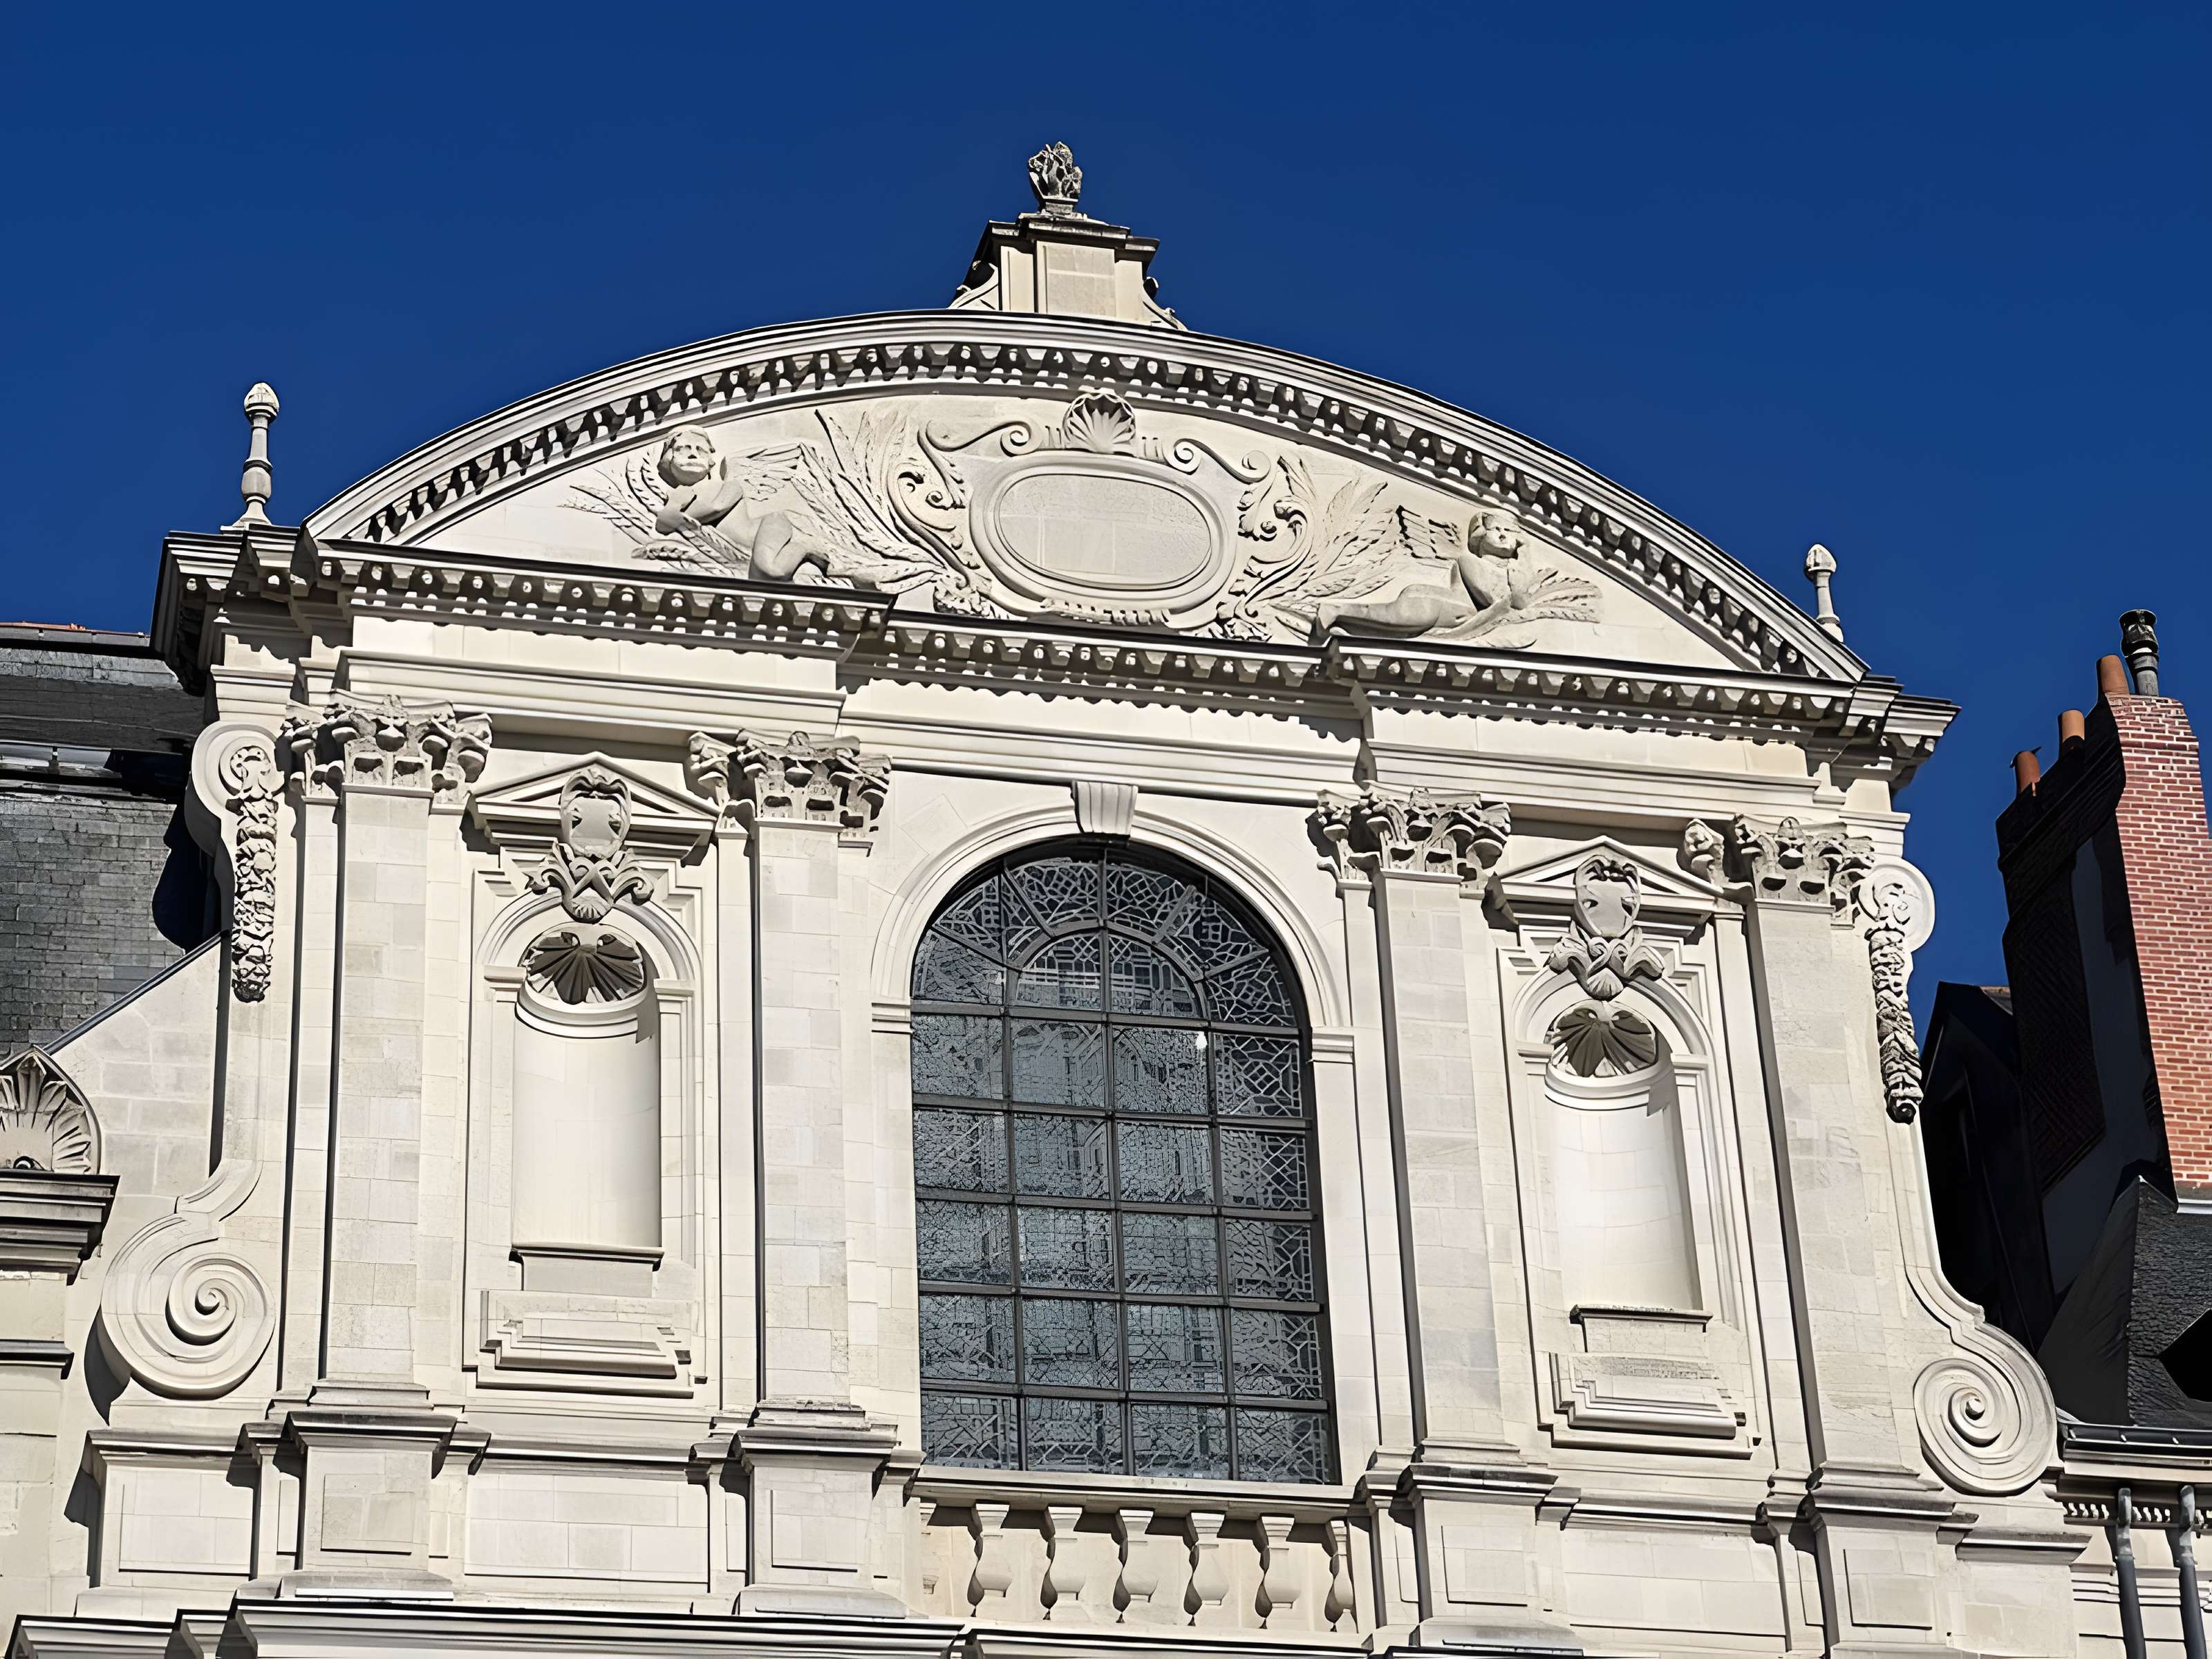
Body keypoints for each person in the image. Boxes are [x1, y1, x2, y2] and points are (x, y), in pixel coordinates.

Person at [651, 427, 831, 583]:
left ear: (710, 460)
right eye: (683, 449)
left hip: (769, 526)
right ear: (669, 457)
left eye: (701, 450)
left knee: (770, 572)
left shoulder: (731, 484)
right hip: (752, 541)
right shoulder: (679, 494)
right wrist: (677, 502)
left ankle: (805, 547)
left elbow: (717, 508)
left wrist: (678, 508)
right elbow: (663, 525)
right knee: (766, 575)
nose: (693, 454)